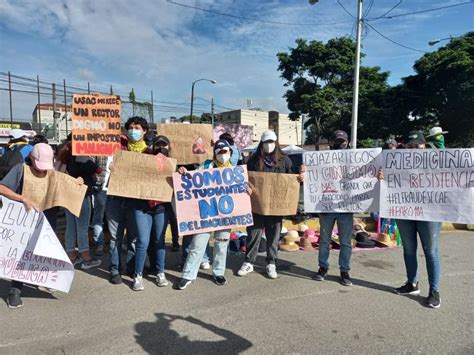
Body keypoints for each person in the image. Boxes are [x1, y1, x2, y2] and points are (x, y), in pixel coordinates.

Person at [0, 143, 83, 308]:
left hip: (47, 218)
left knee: (44, 250)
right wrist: (22, 198)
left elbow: (67, 183)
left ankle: (42, 278)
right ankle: (15, 290)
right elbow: (2, 187)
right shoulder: (20, 169)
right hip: (24, 220)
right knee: (23, 253)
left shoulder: (52, 172)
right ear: (31, 157)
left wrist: (78, 182)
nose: (42, 170)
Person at [378, 131, 442, 308]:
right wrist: (382, 177)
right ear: (405, 147)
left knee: (431, 251)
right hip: (404, 211)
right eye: (410, 146)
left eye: (417, 146)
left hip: (429, 213)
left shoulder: (437, 161)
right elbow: (387, 182)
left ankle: (434, 291)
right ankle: (411, 283)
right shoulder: (396, 163)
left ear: (424, 146)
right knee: (409, 249)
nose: (413, 150)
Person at [237, 130, 304, 279]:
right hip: (257, 205)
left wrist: (299, 178)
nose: (269, 145)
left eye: (271, 142)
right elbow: (245, 178)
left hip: (276, 207)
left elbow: (291, 180)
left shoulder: (284, 160)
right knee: (253, 234)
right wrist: (246, 187)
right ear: (261, 143)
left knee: (274, 236)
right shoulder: (254, 160)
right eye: (266, 142)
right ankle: (249, 261)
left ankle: (271, 262)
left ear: (276, 142)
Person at [175, 139, 236, 290]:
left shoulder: (235, 171)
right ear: (215, 154)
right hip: (206, 213)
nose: (223, 154)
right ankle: (188, 275)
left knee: (221, 244)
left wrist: (247, 190)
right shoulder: (207, 166)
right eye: (219, 152)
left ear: (230, 153)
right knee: (198, 244)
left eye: (225, 151)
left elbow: (240, 189)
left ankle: (218, 272)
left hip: (224, 214)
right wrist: (184, 173)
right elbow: (193, 180)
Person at [106, 119, 151, 285]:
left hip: (136, 201)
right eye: (130, 128)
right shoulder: (116, 147)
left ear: (144, 131)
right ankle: (115, 269)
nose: (133, 131)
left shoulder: (149, 152)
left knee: (133, 237)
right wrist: (110, 168)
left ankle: (132, 267)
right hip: (115, 198)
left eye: (137, 128)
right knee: (115, 238)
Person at [131, 133, 172, 291]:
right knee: (142, 241)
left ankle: (160, 272)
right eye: (158, 145)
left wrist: (181, 171)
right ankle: (138, 275)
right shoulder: (143, 159)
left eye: (164, 145)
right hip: (142, 207)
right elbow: (129, 172)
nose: (161, 148)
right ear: (152, 146)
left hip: (161, 207)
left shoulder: (172, 163)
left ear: (169, 147)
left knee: (160, 240)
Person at [313, 130, 354, 286]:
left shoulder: (353, 159)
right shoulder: (320, 159)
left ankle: (345, 270)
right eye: (336, 142)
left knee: (345, 242)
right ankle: (323, 267)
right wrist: (305, 172)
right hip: (327, 206)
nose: (339, 145)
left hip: (346, 207)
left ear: (347, 142)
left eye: (342, 142)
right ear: (330, 143)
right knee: (324, 240)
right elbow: (313, 178)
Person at [57, 142, 102, 270]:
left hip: (66, 195)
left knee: (70, 226)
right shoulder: (81, 157)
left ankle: (71, 255)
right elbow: (98, 169)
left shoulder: (63, 156)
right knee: (82, 227)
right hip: (81, 196)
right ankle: (86, 257)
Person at [91, 155, 109, 256]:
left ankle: (116, 243)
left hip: (115, 188)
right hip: (100, 188)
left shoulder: (119, 150)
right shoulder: (99, 150)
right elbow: (92, 165)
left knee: (116, 218)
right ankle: (99, 242)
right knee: (98, 216)